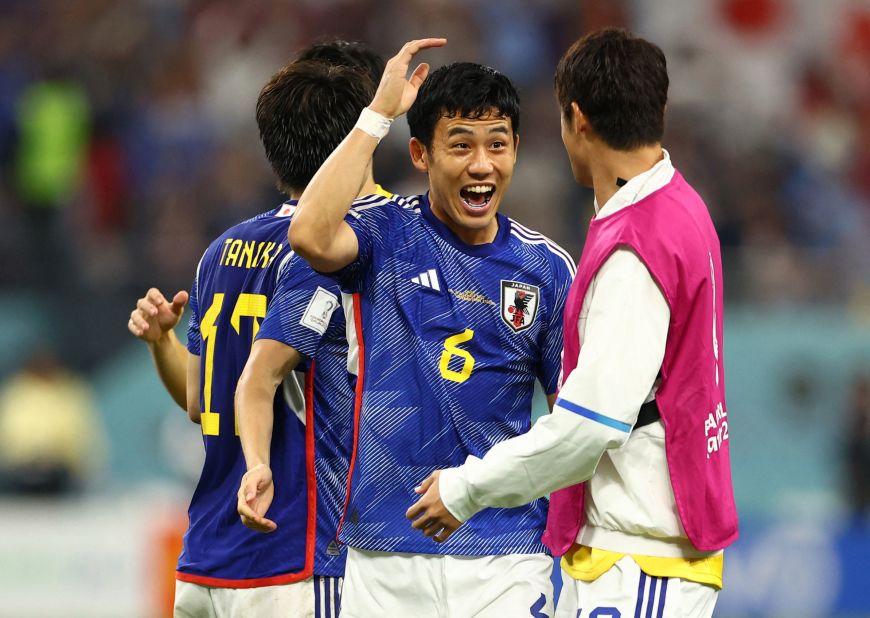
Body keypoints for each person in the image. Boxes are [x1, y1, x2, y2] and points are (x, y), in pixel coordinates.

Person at [408, 28, 738, 618]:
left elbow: (590, 427)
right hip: (638, 554)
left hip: (642, 559)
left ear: (576, 120)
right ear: (657, 109)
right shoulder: (676, 207)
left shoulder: (638, 247)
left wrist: (465, 490)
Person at [289, 39, 575, 617]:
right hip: (385, 552)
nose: (481, 165)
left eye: (497, 144)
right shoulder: (382, 234)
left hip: (506, 554)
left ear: (517, 149)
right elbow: (310, 235)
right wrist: (377, 116)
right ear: (420, 154)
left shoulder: (546, 270)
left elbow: (571, 417)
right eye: (461, 146)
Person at [127, 41, 389, 617]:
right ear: (357, 146)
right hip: (295, 557)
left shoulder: (222, 250)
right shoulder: (346, 252)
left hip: (207, 565)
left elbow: (200, 400)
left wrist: (161, 344)